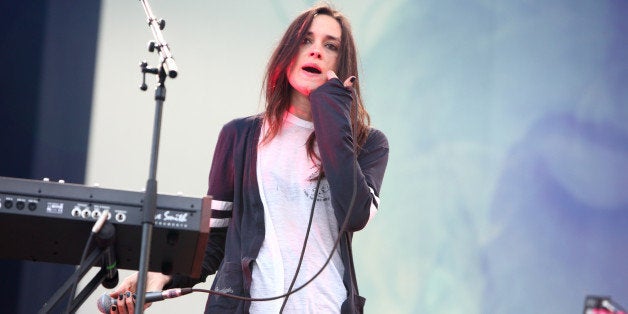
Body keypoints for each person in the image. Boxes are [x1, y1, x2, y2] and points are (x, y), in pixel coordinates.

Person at [105, 3, 389, 313]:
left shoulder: (368, 143)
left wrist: (331, 109)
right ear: (288, 53)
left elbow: (355, 215)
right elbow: (214, 242)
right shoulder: (240, 136)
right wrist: (160, 276)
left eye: (330, 46)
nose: (316, 51)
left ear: (342, 64)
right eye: (306, 40)